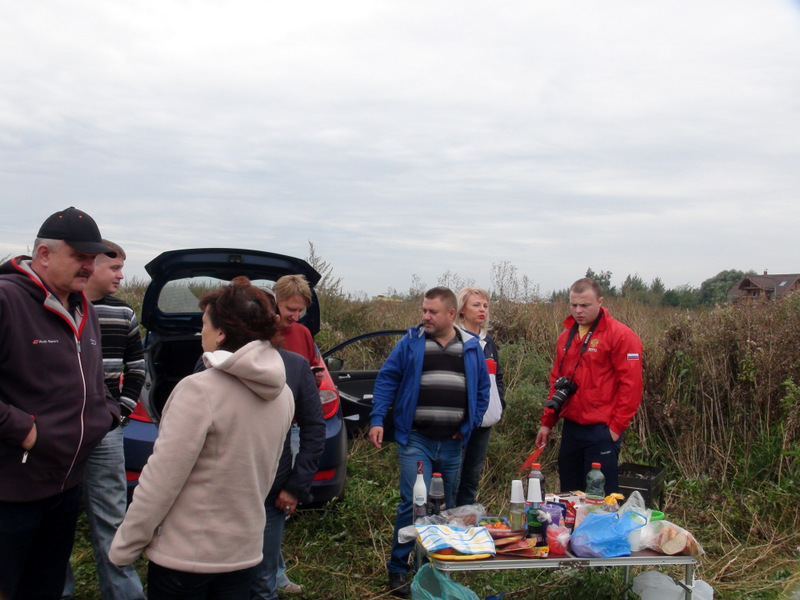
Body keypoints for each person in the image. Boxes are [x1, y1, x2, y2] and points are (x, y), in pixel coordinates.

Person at [109, 277, 294, 600]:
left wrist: (126, 545)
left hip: (186, 559)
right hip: (244, 553)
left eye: (204, 324)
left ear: (221, 333)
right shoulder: (283, 395)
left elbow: (161, 479)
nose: (200, 333)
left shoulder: (198, 390)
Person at [0, 207, 120, 600]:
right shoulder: (7, 300)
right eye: (79, 256)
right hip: (12, 491)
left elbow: (92, 379)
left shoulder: (83, 308)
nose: (89, 266)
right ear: (45, 254)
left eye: (92, 258)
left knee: (46, 586)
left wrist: (105, 415)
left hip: (66, 486)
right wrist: (25, 432)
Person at [369, 287, 490, 597]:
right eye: (424, 310)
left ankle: (435, 569)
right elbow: (387, 379)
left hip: (452, 444)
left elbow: (481, 392)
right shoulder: (411, 343)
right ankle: (398, 569)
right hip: (416, 440)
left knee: (444, 508)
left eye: (432, 312)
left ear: (451, 314)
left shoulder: (471, 347)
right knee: (412, 503)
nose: (425, 316)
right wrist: (378, 419)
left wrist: (467, 426)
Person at [62, 241, 146, 600]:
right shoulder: (54, 309)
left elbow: (138, 367)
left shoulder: (124, 314)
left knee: (112, 518)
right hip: (58, 435)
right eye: (114, 268)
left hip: (106, 434)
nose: (121, 275)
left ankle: (124, 594)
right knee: (54, 520)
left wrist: (120, 412)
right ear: (91, 266)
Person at [535, 278, 643, 494]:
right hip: (572, 428)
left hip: (601, 430)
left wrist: (615, 429)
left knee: (600, 498)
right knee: (569, 495)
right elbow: (556, 381)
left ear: (600, 301)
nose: (578, 311)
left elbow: (631, 386)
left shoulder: (621, 335)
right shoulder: (566, 336)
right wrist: (547, 422)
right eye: (573, 305)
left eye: (585, 305)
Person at [249, 319, 326, 600]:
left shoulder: (293, 366)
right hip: (225, 495)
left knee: (263, 581)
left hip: (272, 491)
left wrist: (295, 486)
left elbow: (314, 428)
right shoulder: (212, 365)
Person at [454, 286, 505, 507]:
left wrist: (499, 403)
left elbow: (498, 377)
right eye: (476, 305)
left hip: (484, 422)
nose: (482, 310)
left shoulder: (488, 342)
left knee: (471, 478)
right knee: (452, 476)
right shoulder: (454, 338)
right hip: (459, 421)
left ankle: (466, 522)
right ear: (462, 309)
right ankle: (447, 523)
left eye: (485, 305)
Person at [273, 274, 324, 387]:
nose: (296, 317)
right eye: (291, 309)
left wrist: (316, 380)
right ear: (275, 303)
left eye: (300, 311)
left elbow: (313, 376)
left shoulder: (304, 333)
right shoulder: (257, 333)